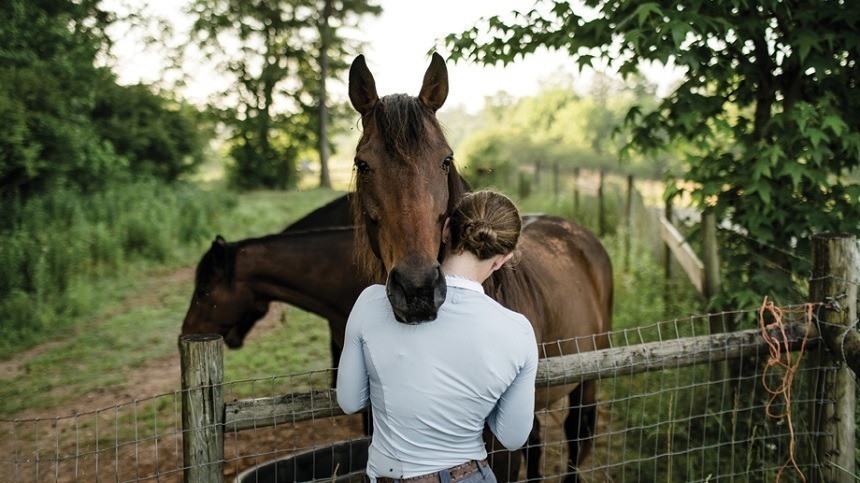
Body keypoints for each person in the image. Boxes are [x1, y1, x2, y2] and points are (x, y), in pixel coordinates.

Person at [337, 190, 538, 483]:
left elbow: (350, 401)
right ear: (503, 259)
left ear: (445, 231)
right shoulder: (518, 331)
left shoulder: (371, 303)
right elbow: (512, 437)